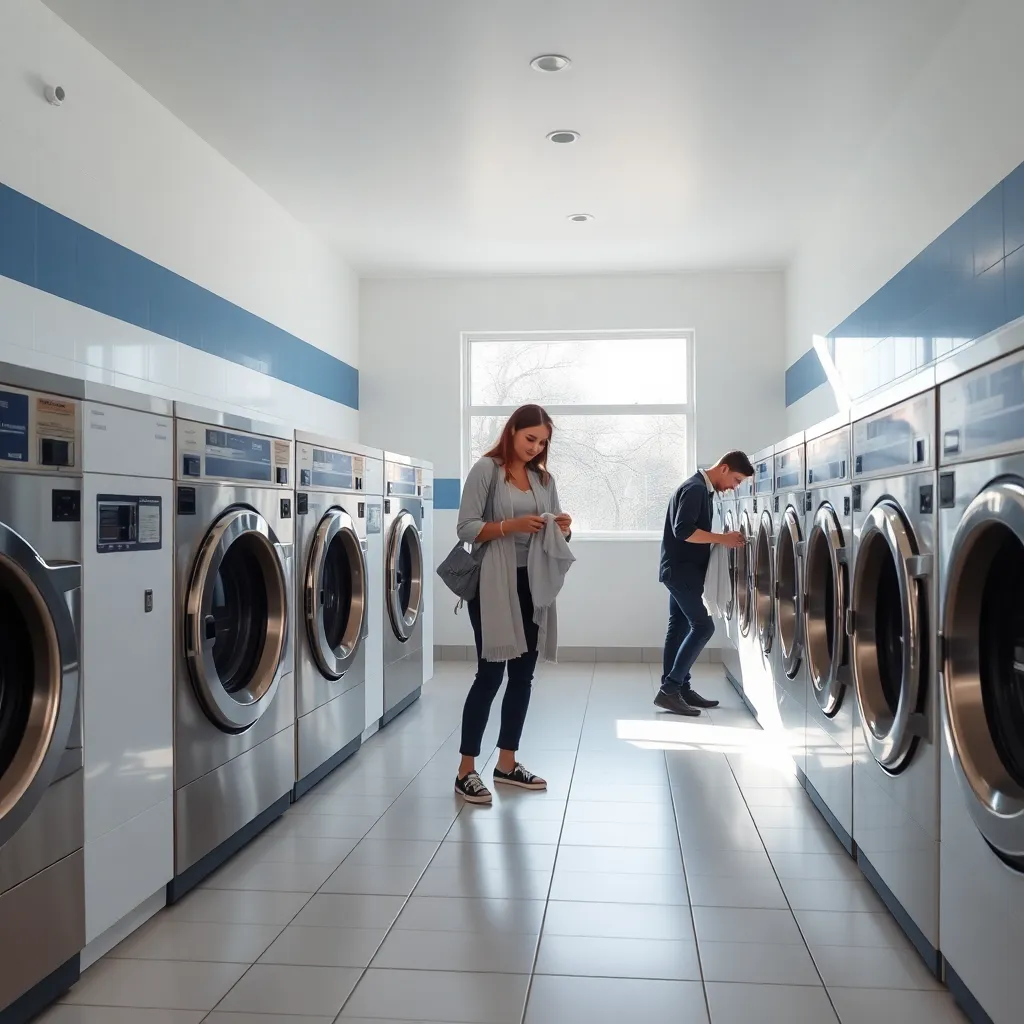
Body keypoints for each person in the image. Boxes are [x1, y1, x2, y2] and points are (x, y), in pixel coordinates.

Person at [453, 404, 572, 804]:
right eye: (530, 439)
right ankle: (466, 770)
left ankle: (507, 763)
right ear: (512, 432)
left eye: (542, 442)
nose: (536, 448)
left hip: (532, 582)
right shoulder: (487, 469)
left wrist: (561, 529)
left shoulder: (543, 478)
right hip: (493, 582)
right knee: (490, 676)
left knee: (523, 676)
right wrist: (511, 526)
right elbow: (466, 527)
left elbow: (551, 534)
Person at [655, 451, 754, 716]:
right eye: (735, 479)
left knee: (678, 628)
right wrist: (722, 539)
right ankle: (670, 690)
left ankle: (680, 689)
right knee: (702, 626)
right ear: (723, 468)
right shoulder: (695, 489)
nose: (734, 486)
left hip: (680, 570)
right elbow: (683, 531)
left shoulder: (701, 489)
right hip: (681, 572)